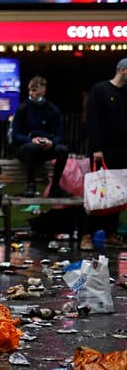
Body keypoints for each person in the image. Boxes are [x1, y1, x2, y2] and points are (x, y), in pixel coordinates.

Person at [81, 58, 127, 251]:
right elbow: (92, 120)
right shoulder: (100, 90)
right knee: (97, 191)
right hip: (102, 150)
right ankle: (86, 233)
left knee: (116, 193)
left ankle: (111, 232)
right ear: (123, 70)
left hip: (122, 150)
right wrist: (96, 147)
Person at [11, 76, 70, 198]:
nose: (31, 93)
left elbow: (59, 134)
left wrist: (51, 143)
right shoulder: (23, 108)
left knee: (62, 150)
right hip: (26, 148)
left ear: (43, 90)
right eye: (30, 90)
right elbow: (15, 134)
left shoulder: (52, 109)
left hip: (45, 148)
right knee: (32, 147)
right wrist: (30, 140)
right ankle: (30, 187)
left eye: (35, 90)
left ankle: (55, 187)